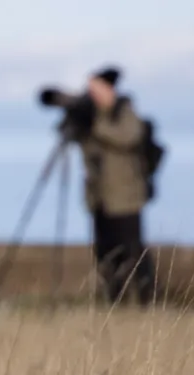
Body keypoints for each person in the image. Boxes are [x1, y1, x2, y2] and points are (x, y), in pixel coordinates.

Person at [75, 66, 156, 306]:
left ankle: (144, 299)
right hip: (100, 197)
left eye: (95, 89)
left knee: (132, 248)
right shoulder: (93, 114)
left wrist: (96, 122)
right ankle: (114, 299)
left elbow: (128, 136)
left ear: (107, 88)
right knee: (105, 252)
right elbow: (89, 151)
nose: (91, 94)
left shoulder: (124, 111)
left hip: (126, 196)